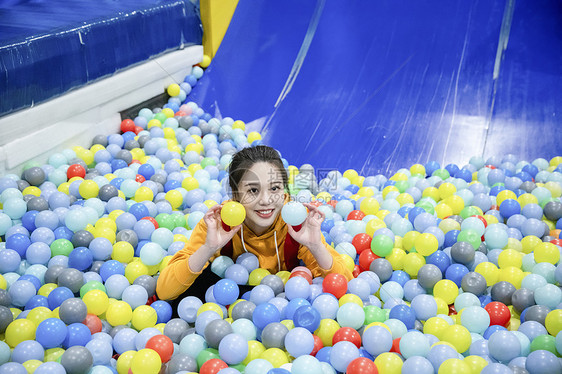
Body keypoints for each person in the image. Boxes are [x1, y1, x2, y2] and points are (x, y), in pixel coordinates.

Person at [156, 145, 352, 302]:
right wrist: (209, 247)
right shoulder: (217, 224)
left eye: (274, 188)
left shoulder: (296, 223)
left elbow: (346, 285)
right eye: (253, 191)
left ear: (284, 191)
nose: (266, 200)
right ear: (235, 195)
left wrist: (316, 246)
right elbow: (164, 291)